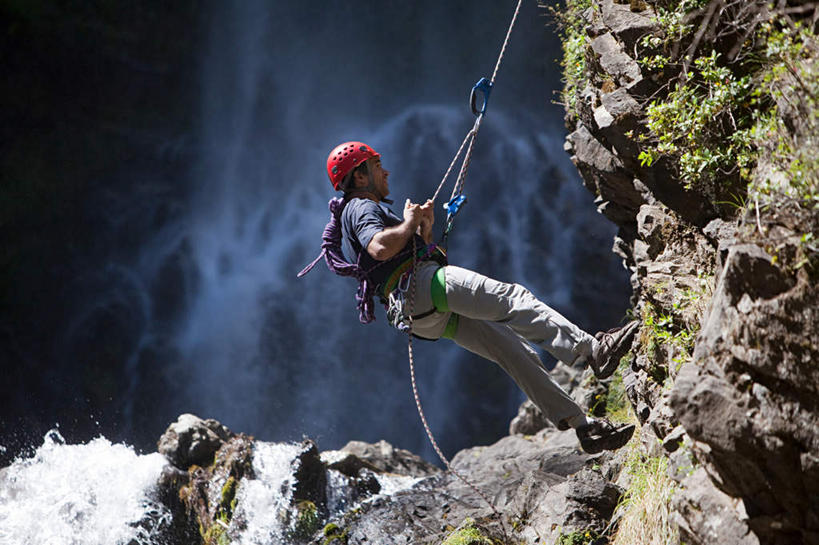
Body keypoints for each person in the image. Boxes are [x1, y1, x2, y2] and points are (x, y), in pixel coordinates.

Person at [301, 141, 638, 454]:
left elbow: (406, 253)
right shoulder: (361, 206)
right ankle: (594, 350)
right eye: (377, 165)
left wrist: (425, 231)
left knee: (515, 353)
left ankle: (584, 426)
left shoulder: (356, 210)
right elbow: (379, 247)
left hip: (421, 314)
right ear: (360, 176)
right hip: (421, 287)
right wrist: (407, 223)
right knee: (511, 297)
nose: (385, 172)